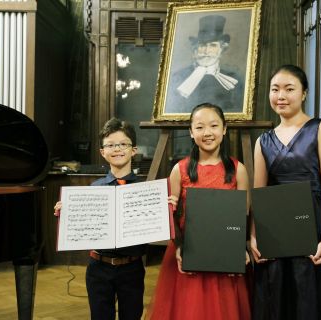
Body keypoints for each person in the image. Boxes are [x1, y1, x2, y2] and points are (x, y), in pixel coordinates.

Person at [249, 65, 321, 319]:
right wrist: (254, 237)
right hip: (278, 232)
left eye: (289, 89)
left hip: (315, 226)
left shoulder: (320, 129)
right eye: (275, 90)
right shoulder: (263, 141)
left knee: (314, 298)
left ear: (304, 93)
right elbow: (259, 194)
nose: (280, 95)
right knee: (280, 300)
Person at [54, 118, 175, 320]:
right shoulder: (93, 189)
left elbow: (156, 226)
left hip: (132, 268)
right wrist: (67, 212)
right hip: (98, 268)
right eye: (110, 145)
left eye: (123, 144)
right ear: (102, 152)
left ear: (133, 150)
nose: (117, 149)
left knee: (132, 316)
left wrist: (165, 209)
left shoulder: (147, 191)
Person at [146, 103, 251, 320]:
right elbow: (172, 214)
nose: (207, 133)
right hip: (187, 253)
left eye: (213, 126)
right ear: (191, 132)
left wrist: (239, 250)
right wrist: (179, 247)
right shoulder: (180, 169)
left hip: (225, 257)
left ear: (224, 129)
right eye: (200, 127)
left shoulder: (238, 169)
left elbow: (243, 216)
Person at [165, 15, 244, 114]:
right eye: (202, 45)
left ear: (222, 49)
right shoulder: (178, 78)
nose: (207, 51)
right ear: (195, 50)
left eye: (213, 45)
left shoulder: (234, 80)